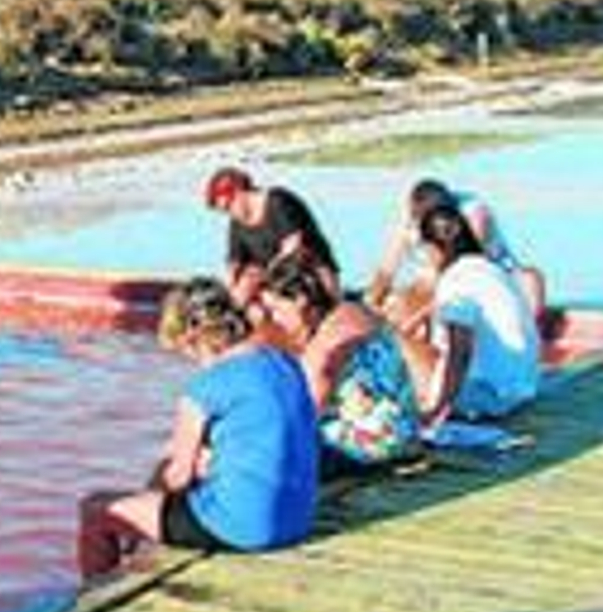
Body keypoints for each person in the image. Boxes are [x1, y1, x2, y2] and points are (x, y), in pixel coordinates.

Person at [78, 277, 318, 578]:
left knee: (96, 510)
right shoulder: (284, 363)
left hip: (242, 528)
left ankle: (94, 593)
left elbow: (178, 478)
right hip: (297, 520)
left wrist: (146, 501)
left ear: (194, 337)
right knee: (194, 465)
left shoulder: (205, 388)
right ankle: (135, 540)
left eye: (184, 351)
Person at [262, 254, 422, 476]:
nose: (275, 320)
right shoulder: (352, 312)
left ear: (300, 300)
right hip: (403, 439)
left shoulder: (327, 339)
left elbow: (305, 411)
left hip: (371, 449)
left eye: (276, 309)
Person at [401, 202, 540, 427]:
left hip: (488, 398)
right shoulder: (491, 269)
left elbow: (460, 351)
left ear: (434, 248)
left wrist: (438, 409)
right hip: (523, 389)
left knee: (394, 341)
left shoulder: (455, 279)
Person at [367, 177, 546, 334]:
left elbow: (467, 272)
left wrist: (418, 318)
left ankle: (531, 335)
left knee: (531, 280)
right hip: (430, 286)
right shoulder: (410, 220)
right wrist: (371, 304)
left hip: (487, 280)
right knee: (397, 299)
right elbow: (386, 270)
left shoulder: (474, 212)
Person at [204, 166, 340, 315]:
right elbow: (234, 263)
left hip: (308, 272)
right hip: (272, 281)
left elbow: (294, 246)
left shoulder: (278, 201)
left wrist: (264, 276)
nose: (229, 213)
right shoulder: (237, 223)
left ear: (239, 192)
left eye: (228, 206)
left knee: (259, 276)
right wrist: (232, 290)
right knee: (247, 278)